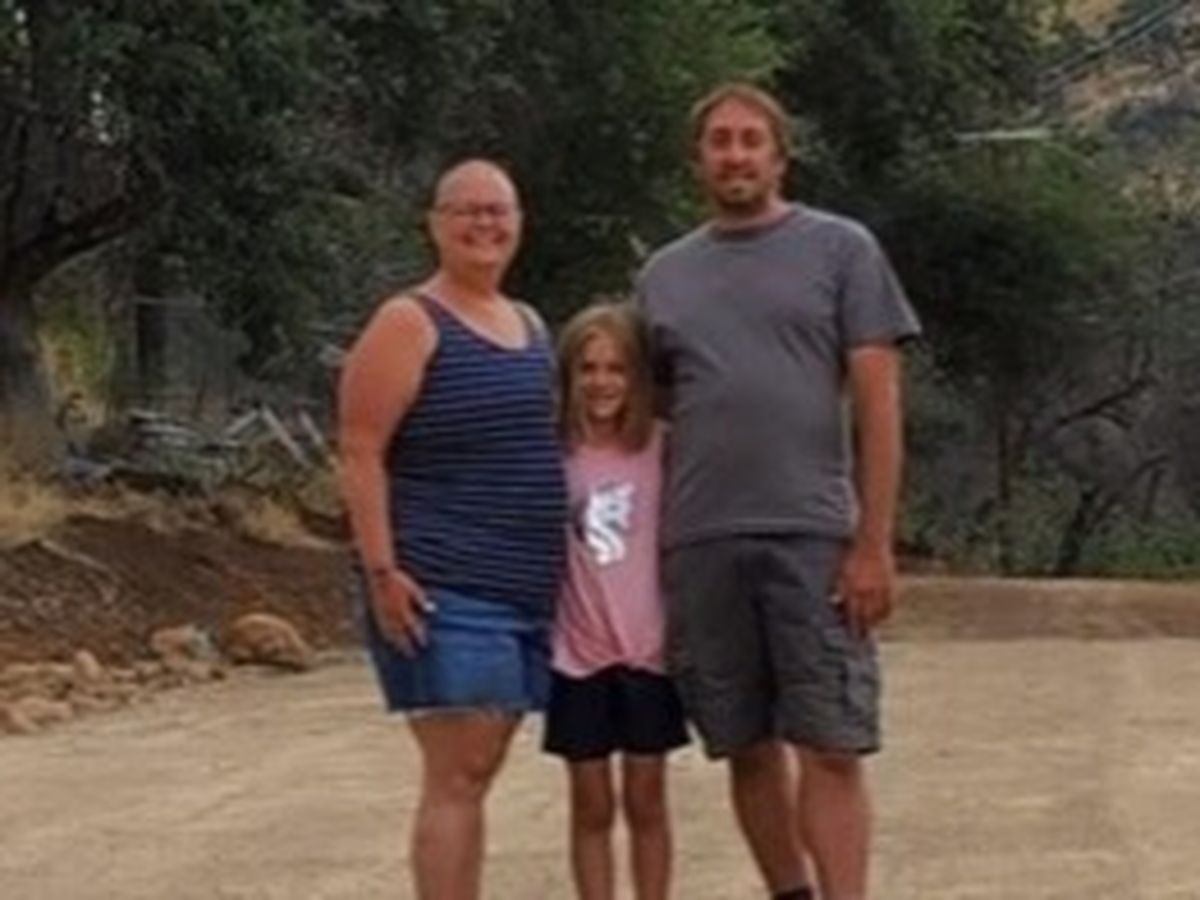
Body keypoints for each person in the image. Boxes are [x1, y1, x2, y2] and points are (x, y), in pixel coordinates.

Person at [635, 83, 921, 900]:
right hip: (701, 540)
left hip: (813, 535)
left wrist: (873, 544)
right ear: (698, 161)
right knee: (745, 743)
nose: (735, 155)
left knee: (830, 742)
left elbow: (879, 404)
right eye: (719, 141)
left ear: (779, 156)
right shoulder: (662, 276)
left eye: (750, 140)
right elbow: (648, 413)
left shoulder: (842, 251)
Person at [337, 159, 567, 900]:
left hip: (526, 589)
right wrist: (382, 571)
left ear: (521, 223)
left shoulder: (530, 326)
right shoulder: (408, 322)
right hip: (444, 587)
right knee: (458, 770)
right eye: (466, 210)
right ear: (435, 225)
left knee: (480, 765)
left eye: (499, 210)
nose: (484, 224)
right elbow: (361, 450)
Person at [543, 303, 689, 900]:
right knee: (591, 801)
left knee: (647, 796)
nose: (601, 382)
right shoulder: (552, 453)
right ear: (569, 375)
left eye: (616, 369)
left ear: (637, 377)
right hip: (577, 652)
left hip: (649, 650)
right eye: (588, 368)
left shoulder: (663, 447)